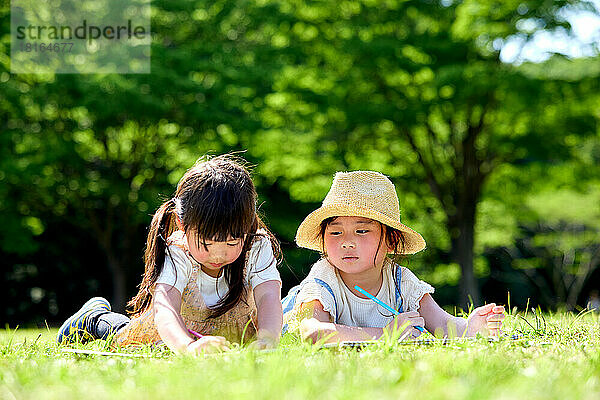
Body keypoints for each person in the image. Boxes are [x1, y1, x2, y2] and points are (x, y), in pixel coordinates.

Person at [57, 155, 283, 353]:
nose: (219, 254)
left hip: (225, 333)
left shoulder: (256, 247)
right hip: (172, 331)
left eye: (232, 241)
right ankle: (94, 318)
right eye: (207, 243)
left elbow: (268, 296)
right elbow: (166, 306)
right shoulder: (179, 252)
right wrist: (187, 346)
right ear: (182, 224)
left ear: (247, 225)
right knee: (125, 336)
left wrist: (267, 338)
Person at [282, 171, 505, 343]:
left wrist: (471, 328)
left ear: (391, 240)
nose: (347, 241)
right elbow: (312, 331)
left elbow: (443, 325)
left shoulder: (401, 282)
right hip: (286, 309)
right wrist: (386, 334)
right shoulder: (323, 278)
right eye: (335, 232)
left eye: (361, 231)